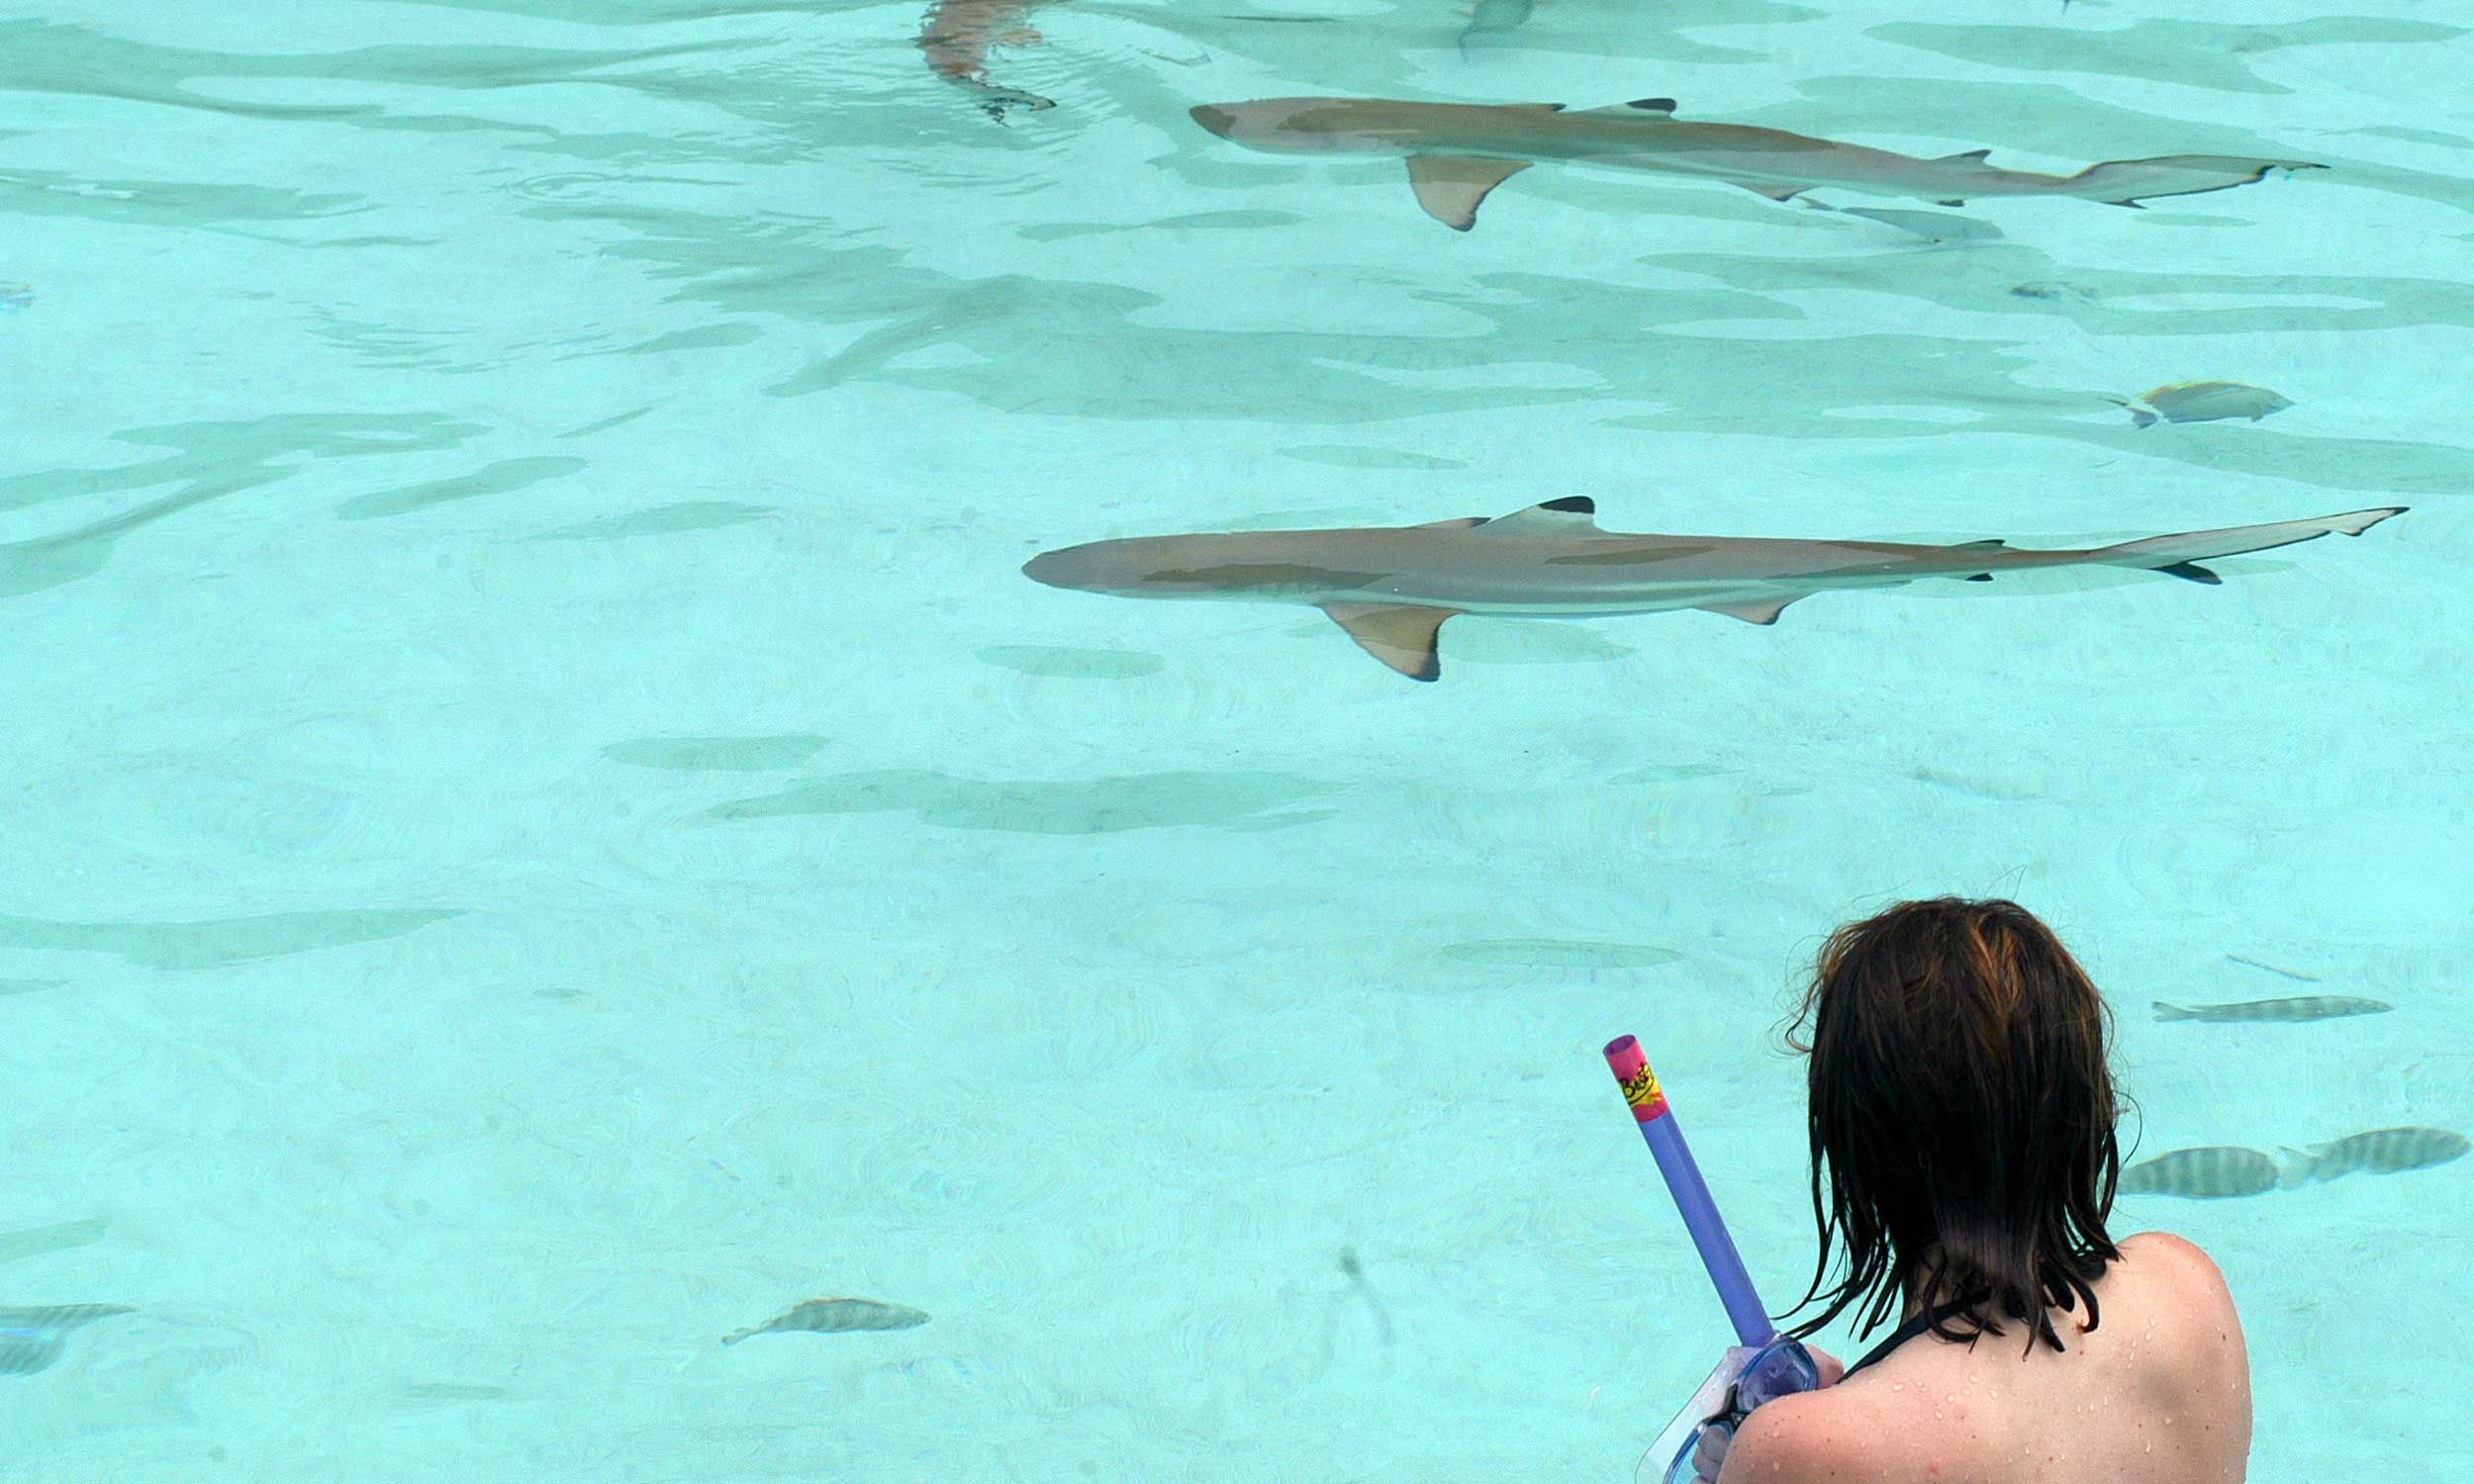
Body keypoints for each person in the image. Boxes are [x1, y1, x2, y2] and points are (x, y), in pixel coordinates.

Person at [1719, 898, 2251, 1483]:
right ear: (2082, 1110)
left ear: (1859, 1151)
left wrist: (1764, 1456)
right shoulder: (2187, 1292)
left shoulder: (1808, 1450)